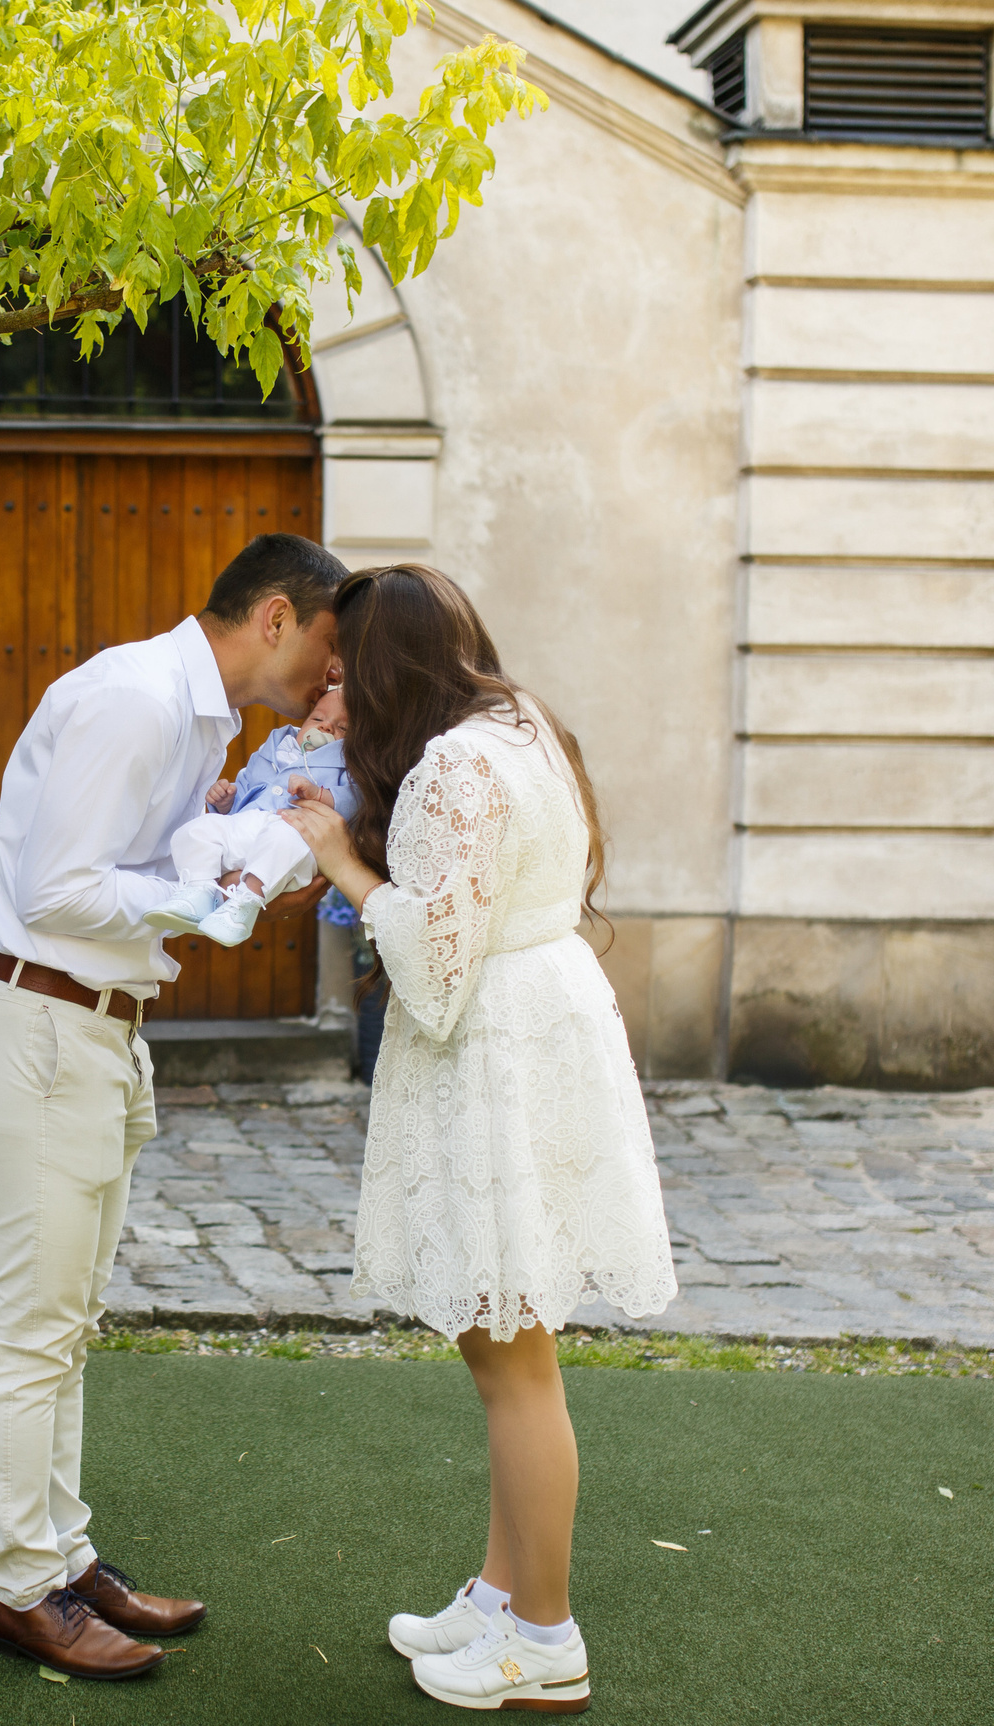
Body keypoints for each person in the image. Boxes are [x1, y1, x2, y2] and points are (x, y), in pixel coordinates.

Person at [0, 531, 348, 1681]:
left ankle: (61, 1561)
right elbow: (56, 887)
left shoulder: (201, 719)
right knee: (34, 1328)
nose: (330, 678)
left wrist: (237, 854)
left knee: (65, 1325)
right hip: (38, 1024)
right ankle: (22, 1590)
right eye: (326, 647)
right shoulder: (136, 700)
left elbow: (114, 866)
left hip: (89, 1029)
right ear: (274, 616)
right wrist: (210, 893)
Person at [280, 565, 677, 1715]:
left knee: (513, 1363)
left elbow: (435, 969)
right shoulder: (516, 724)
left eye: (346, 669)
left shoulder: (454, 760)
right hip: (537, 1029)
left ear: (386, 662)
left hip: (499, 1048)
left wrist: (343, 864)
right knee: (503, 1343)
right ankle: (501, 1596)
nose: (334, 690)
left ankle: (543, 1635)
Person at [146, 684, 359, 946]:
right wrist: (225, 803)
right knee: (198, 829)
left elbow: (355, 801)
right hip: (248, 828)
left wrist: (320, 795)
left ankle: (243, 905)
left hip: (295, 837)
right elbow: (246, 787)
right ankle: (198, 891)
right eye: (317, 718)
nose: (326, 727)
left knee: (283, 838)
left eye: (343, 728)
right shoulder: (276, 750)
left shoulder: (348, 764)